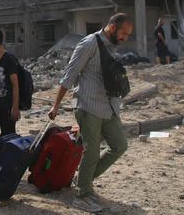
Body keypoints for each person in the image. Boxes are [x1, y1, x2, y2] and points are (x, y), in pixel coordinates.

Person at [48, 13, 133, 213]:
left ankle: (83, 180)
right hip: (88, 106)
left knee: (120, 145)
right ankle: (83, 196)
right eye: (123, 33)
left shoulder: (112, 47)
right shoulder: (89, 43)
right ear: (112, 28)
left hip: (109, 107)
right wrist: (56, 105)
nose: (125, 38)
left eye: (128, 35)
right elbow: (69, 75)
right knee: (92, 151)